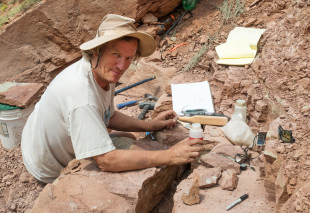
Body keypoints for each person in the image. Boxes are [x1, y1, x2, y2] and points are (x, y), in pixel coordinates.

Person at [21, 14, 203, 184]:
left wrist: (150, 126)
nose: (122, 65)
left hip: (45, 141)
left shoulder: (100, 70)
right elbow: (106, 161)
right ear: (96, 52)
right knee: (124, 160)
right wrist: (171, 155)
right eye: (115, 54)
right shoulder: (82, 95)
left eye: (129, 57)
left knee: (128, 137)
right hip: (48, 165)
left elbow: (110, 115)